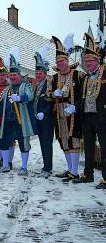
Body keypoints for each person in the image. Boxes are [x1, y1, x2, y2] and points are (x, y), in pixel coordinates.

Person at [0, 47, 38, 175]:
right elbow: (0, 105)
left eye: (14, 75)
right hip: (8, 121)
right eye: (11, 75)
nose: (12, 77)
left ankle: (24, 167)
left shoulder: (26, 86)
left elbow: (30, 96)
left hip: (21, 121)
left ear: (19, 76)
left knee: (23, 144)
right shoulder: (7, 89)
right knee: (4, 141)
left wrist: (20, 98)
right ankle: (5, 165)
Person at [73, 33, 106, 189]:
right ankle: (88, 175)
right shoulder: (85, 77)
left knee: (105, 147)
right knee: (89, 148)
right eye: (85, 61)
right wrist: (76, 106)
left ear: (97, 60)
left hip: (102, 116)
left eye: (90, 61)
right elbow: (82, 96)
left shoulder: (104, 73)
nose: (87, 64)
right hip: (87, 117)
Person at [48, 34, 82, 182]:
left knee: (74, 139)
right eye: (58, 61)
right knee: (64, 141)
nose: (60, 63)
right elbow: (47, 94)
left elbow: (84, 94)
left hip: (74, 113)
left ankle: (75, 171)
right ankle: (70, 170)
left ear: (67, 61)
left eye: (62, 60)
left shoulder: (78, 75)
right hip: (59, 113)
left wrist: (75, 107)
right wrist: (52, 94)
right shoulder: (54, 78)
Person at [34, 45, 54, 177]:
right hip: (38, 119)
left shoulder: (49, 84)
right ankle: (45, 166)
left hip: (47, 119)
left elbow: (51, 102)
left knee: (47, 143)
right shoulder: (37, 86)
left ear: (45, 74)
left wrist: (44, 112)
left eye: (40, 73)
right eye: (36, 73)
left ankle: (48, 168)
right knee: (42, 142)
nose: (38, 75)